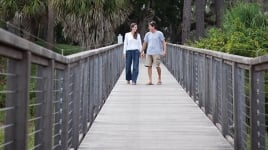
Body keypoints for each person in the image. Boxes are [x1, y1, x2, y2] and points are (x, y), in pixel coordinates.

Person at [141, 21, 167, 85]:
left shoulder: (159, 33)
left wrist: (164, 51)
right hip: (149, 52)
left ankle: (159, 78)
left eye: (149, 26)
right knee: (149, 66)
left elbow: (164, 42)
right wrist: (142, 51)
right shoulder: (147, 34)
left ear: (153, 26)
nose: (148, 27)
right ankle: (150, 80)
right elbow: (145, 43)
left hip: (157, 52)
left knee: (157, 66)